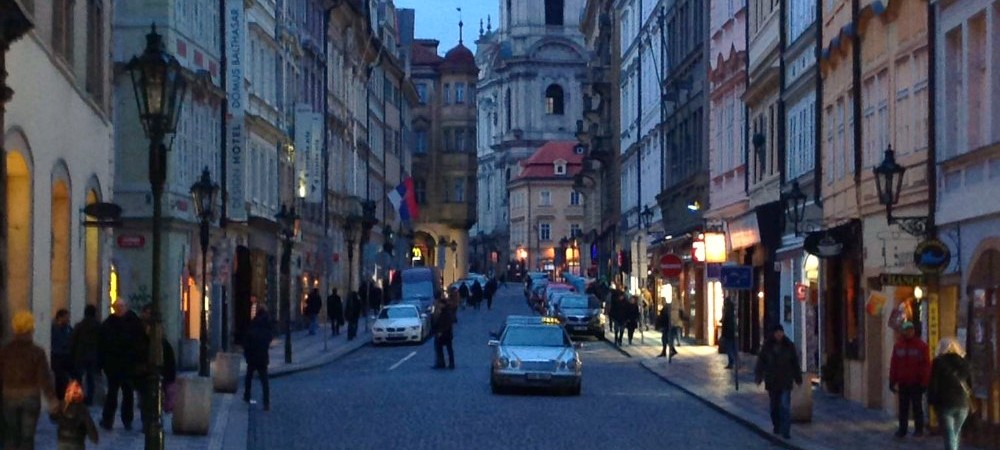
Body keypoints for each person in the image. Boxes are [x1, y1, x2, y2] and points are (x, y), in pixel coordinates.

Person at [0, 311, 60, 450]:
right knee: (27, 437)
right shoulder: (37, 352)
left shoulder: (5, 351)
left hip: (9, 395)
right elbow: (44, 378)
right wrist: (52, 399)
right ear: (31, 329)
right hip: (30, 397)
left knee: (11, 435)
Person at [98, 300, 146, 431]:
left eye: (121, 307)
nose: (119, 310)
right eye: (116, 307)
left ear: (126, 307)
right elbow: (101, 345)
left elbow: (140, 343)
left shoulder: (133, 322)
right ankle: (108, 420)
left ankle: (126, 420)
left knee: (127, 393)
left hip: (128, 364)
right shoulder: (109, 324)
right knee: (113, 393)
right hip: (114, 365)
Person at [754, 324, 802, 440]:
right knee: (774, 405)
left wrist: (798, 377)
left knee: (785, 405)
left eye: (781, 332)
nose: (779, 334)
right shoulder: (767, 346)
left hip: (786, 380)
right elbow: (761, 362)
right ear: (774, 333)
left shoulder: (789, 345)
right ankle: (777, 425)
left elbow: (794, 362)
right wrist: (759, 377)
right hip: (772, 381)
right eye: (777, 332)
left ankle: (786, 430)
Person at [928, 337, 972, 450]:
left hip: (945, 403)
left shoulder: (938, 362)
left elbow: (933, 383)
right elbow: (970, 383)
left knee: (949, 434)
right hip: (963, 403)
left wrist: (932, 401)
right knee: (955, 432)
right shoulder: (964, 362)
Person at [889, 321, 931, 438]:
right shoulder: (898, 346)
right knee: (903, 408)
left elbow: (925, 365)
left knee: (917, 407)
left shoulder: (921, 346)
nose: (908, 332)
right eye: (906, 330)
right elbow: (894, 364)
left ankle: (919, 429)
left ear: (913, 331)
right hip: (903, 382)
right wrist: (892, 380)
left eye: (910, 330)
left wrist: (924, 382)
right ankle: (902, 429)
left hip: (916, 382)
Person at [69, 304, 101, 406]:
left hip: (80, 355)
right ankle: (90, 399)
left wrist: (72, 354)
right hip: (93, 356)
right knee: (90, 378)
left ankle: (78, 398)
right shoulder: (98, 326)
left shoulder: (79, 325)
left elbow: (73, 341)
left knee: (78, 378)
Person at [53, 380, 98, 450]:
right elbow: (93, 436)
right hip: (77, 444)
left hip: (62, 443)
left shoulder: (62, 407)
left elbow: (53, 417)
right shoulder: (83, 410)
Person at [243, 305, 273, 411]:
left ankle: (247, 396)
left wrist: (246, 355)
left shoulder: (253, 325)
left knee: (249, 377)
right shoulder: (267, 326)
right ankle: (266, 402)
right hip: (262, 356)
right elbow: (269, 338)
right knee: (264, 380)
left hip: (252, 356)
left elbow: (247, 342)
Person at [50, 308, 74, 400]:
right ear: (60, 317)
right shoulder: (54, 328)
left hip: (66, 356)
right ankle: (60, 397)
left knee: (64, 379)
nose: (68, 319)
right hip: (57, 356)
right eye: (66, 317)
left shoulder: (68, 328)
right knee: (60, 379)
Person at [432, 290, 457, 370]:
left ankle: (447, 363)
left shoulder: (445, 312)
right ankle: (443, 363)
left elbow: (446, 323)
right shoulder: (445, 311)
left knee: (446, 348)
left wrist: (440, 331)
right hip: (445, 333)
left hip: (444, 333)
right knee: (444, 348)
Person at [721, 297, 737, 369]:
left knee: (729, 348)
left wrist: (723, 334)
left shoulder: (727, 313)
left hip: (728, 334)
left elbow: (726, 324)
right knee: (733, 348)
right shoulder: (732, 313)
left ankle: (732, 362)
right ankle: (734, 362)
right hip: (731, 333)